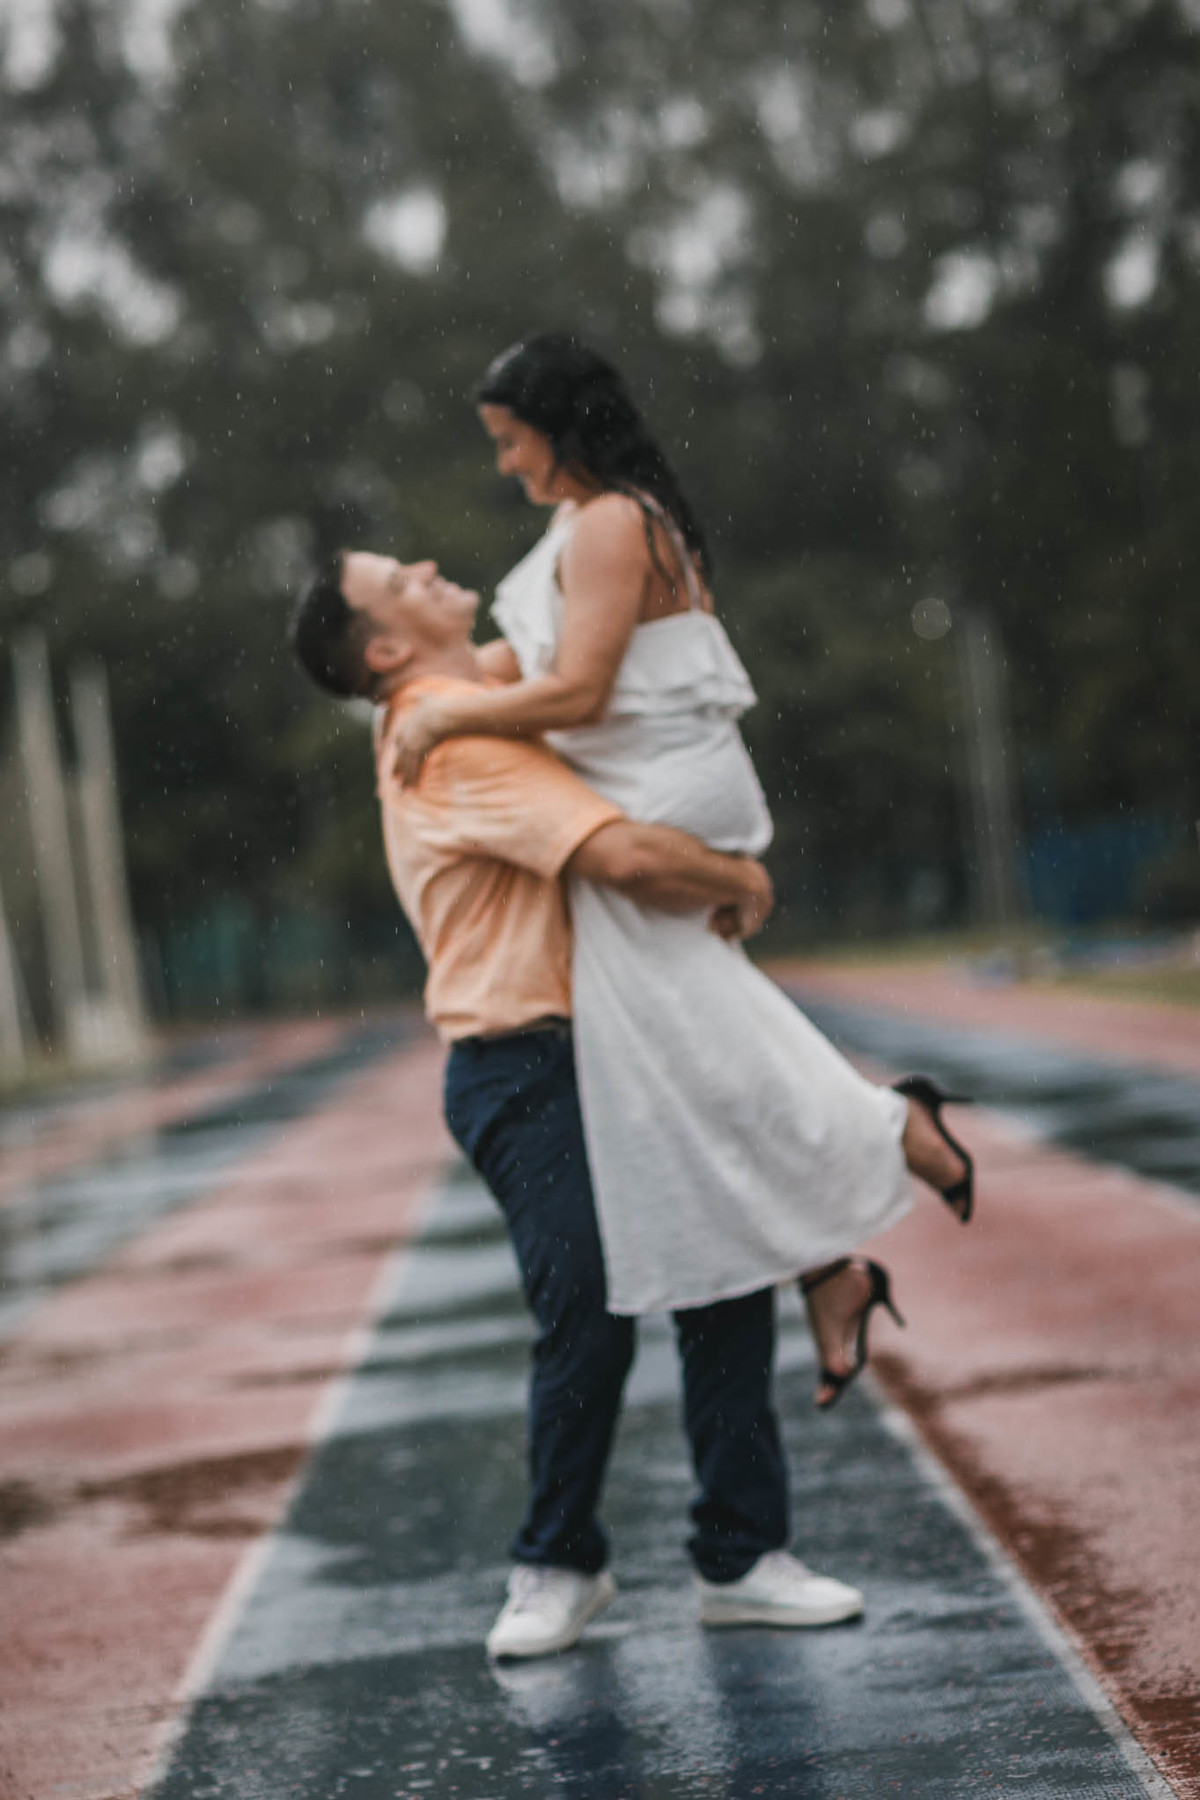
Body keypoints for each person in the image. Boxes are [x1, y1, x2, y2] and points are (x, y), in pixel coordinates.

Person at [290, 548, 871, 1660]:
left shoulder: (475, 695)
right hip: (524, 1060)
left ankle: (743, 1556)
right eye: (395, 578)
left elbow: (572, 662)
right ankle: (559, 1560)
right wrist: (741, 880)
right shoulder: (451, 736)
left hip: (614, 1039)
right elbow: (625, 856)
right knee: (590, 1314)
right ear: (385, 649)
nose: (423, 564)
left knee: (721, 1278)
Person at [384, 333, 975, 1408]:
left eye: (512, 440)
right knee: (684, 1054)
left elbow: (580, 694)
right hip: (648, 783)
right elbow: (527, 655)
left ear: (560, 427)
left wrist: (454, 714)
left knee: (672, 1052)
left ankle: (896, 1134)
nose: (505, 463)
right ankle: (827, 1264)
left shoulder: (614, 522)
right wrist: (414, 697)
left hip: (661, 792)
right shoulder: (578, 521)